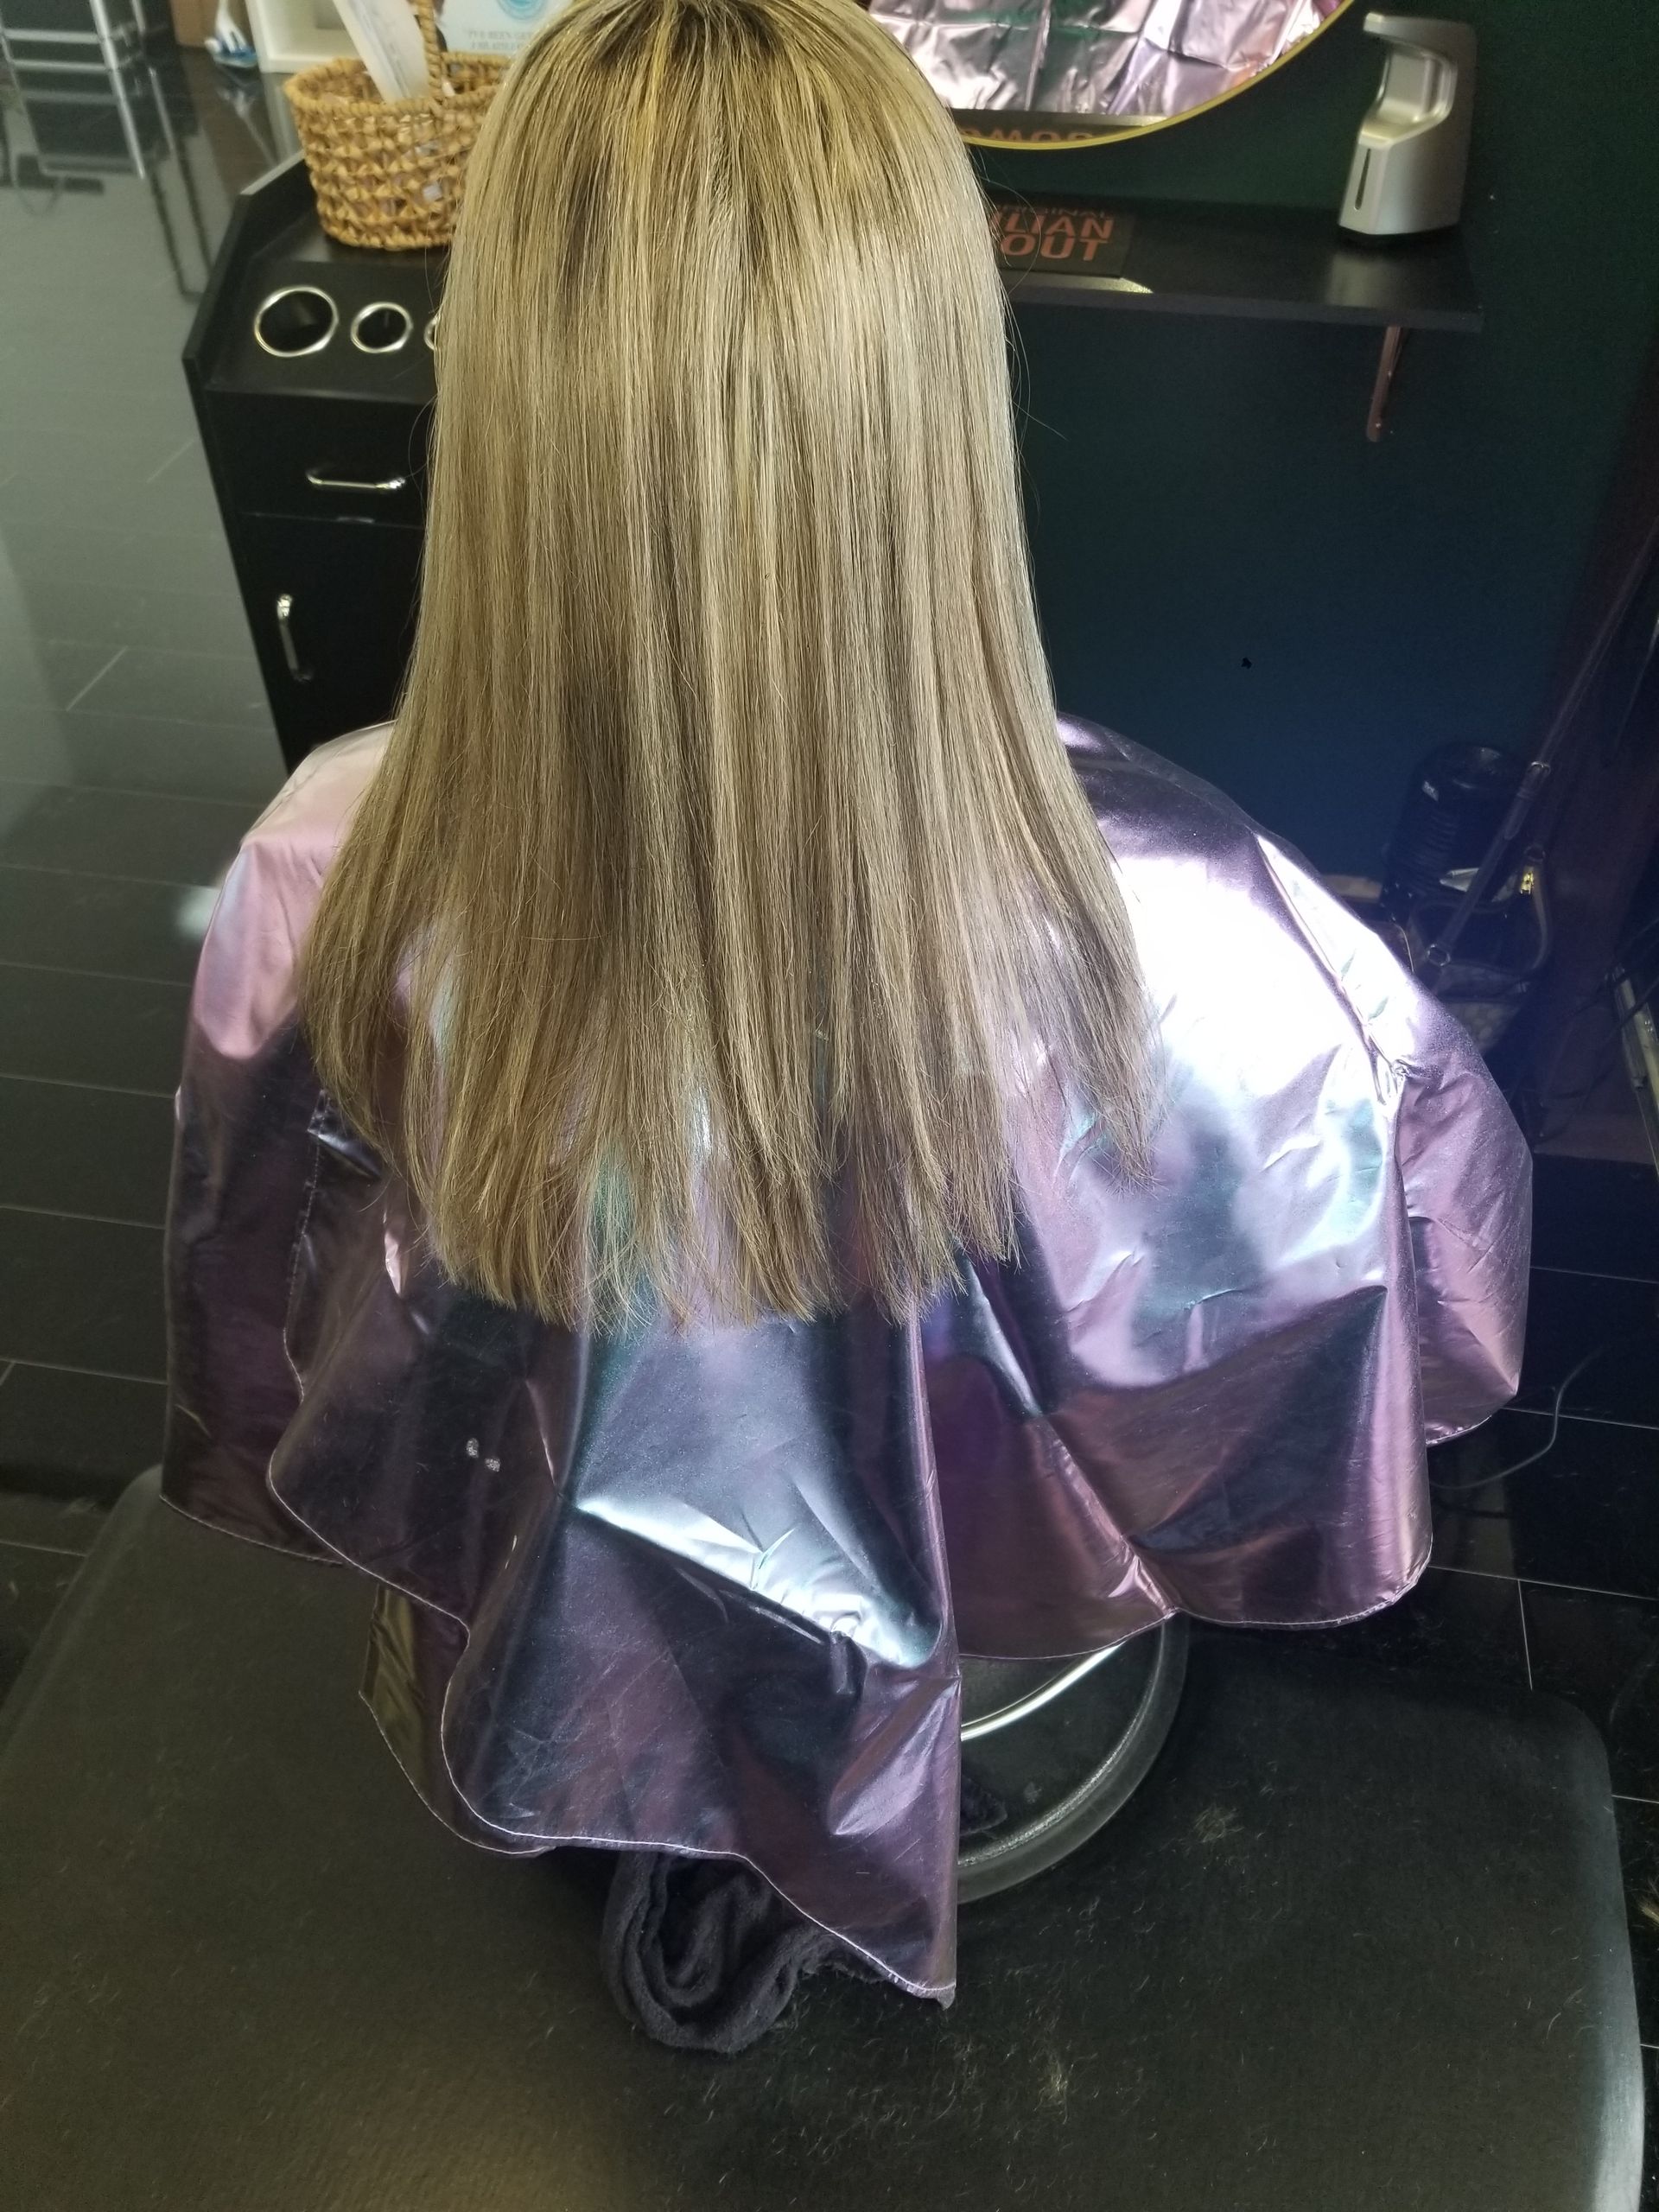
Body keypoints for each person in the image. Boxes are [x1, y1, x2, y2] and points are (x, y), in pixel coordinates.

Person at [164, 0, 1529, 2048]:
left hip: (555, 1639)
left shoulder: (315, 872)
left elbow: (264, 1324)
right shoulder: (1208, 941)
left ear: (503, 389)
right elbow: (1408, 1318)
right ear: (938, 390)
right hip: (1022, 1666)